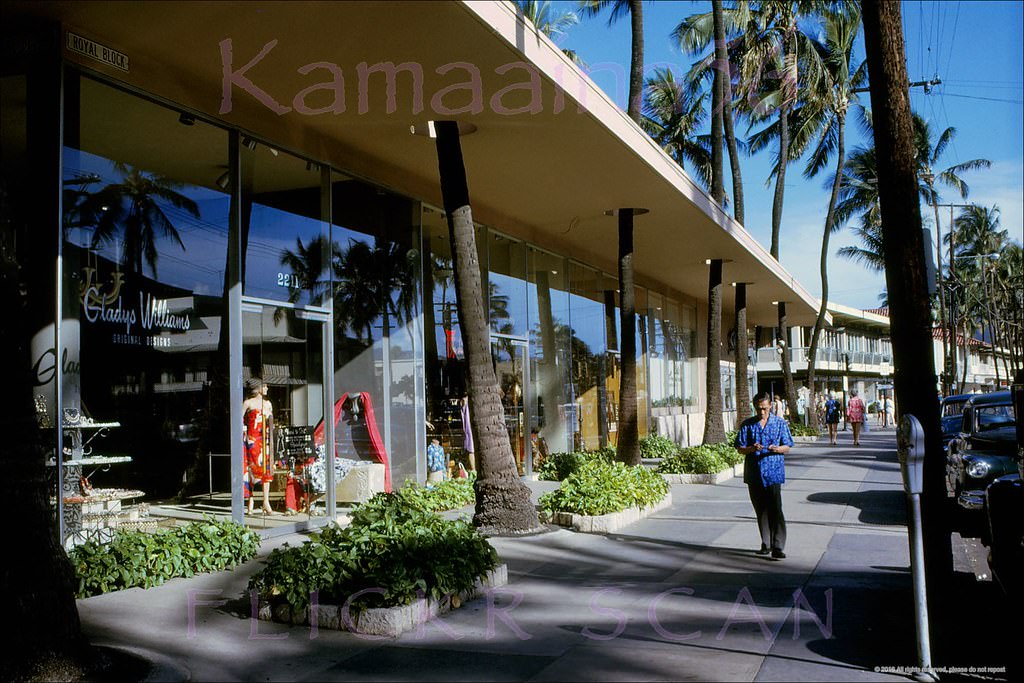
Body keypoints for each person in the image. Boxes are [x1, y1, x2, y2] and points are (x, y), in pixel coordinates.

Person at [736, 391, 794, 560]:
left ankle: (778, 546)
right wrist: (752, 448)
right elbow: (740, 448)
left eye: (764, 408)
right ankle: (765, 543)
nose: (762, 412)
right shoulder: (747, 424)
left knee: (775, 508)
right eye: (759, 408)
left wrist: (777, 448)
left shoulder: (779, 423)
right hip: (754, 473)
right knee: (760, 510)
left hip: (773, 471)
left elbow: (788, 445)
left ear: (770, 406)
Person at [242, 380, 275, 515]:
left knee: (266, 469)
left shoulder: (268, 404)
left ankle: (265, 501)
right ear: (258, 388)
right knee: (251, 469)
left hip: (265, 440)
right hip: (252, 441)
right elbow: (239, 419)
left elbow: (271, 423)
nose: (267, 388)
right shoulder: (248, 403)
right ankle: (251, 500)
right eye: (264, 385)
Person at [460, 396, 475, 471]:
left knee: (471, 448)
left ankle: (473, 470)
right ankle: (473, 471)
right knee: (471, 448)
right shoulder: (465, 400)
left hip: (470, 429)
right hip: (470, 429)